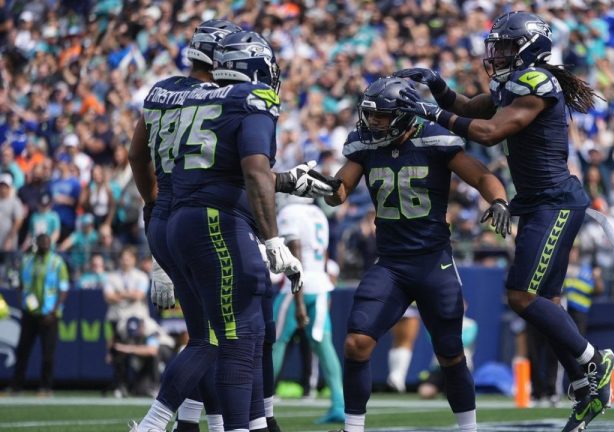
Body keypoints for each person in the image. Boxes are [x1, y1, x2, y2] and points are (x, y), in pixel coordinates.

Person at [394, 11, 614, 431]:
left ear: (530, 47)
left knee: (521, 296)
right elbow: (465, 107)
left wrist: (429, 112)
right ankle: (587, 391)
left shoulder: (536, 83)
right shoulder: (514, 83)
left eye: (506, 46)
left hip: (555, 203)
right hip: (536, 203)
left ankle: (594, 361)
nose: (496, 53)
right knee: (545, 303)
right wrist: (436, 84)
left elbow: (489, 132)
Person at [130, 23, 336, 432]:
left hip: (168, 218)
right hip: (214, 223)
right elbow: (247, 172)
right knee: (237, 335)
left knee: (214, 335)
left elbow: (146, 158)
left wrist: (153, 211)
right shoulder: (246, 98)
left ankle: (212, 423)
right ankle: (198, 424)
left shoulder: (168, 92)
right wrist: (274, 237)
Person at [326, 76, 511, 432]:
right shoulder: (365, 145)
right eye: (370, 115)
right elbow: (340, 189)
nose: (372, 122)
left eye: (381, 115)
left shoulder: (435, 140)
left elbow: (481, 175)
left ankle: (468, 428)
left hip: (432, 262)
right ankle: (352, 428)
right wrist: (322, 187)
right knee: (356, 342)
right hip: (391, 263)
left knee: (451, 354)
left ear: (403, 114)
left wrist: (499, 200)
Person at [272, 195, 344, 424]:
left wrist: (299, 298)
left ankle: (255, 404)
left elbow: (295, 250)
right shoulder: (318, 213)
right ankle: (339, 404)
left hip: (297, 287)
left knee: (275, 342)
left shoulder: (290, 213)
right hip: (320, 285)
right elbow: (323, 255)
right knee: (325, 346)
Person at [8, 233, 69, 397]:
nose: (44, 245)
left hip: (49, 314)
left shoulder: (57, 262)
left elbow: (63, 289)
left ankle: (46, 387)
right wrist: (23, 299)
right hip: (30, 313)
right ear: (36, 244)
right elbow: (20, 284)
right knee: (22, 351)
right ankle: (16, 386)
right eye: (42, 242)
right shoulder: (27, 261)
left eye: (47, 242)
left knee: (48, 354)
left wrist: (54, 311)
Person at [387, 305, 420, 393]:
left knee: (398, 340)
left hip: (395, 301)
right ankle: (398, 377)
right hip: (411, 302)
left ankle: (395, 375)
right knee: (407, 340)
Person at [0, 174, 23, 286]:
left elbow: (18, 221)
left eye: (5, 186)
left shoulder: (14, 202)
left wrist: (9, 239)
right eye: (1, 186)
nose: (3, 189)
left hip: (8, 244)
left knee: (8, 271)